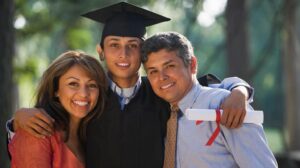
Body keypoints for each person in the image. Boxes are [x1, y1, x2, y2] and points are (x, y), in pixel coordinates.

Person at [7, 2, 254, 168]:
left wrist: (239, 90)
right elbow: (50, 119)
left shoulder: (161, 91)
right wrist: (17, 119)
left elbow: (209, 87)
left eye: (132, 45)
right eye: (114, 44)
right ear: (101, 51)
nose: (123, 54)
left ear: (143, 53)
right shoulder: (90, 97)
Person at [141, 31, 278, 168]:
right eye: (153, 71)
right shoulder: (158, 111)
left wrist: (240, 91)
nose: (162, 77)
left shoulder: (226, 105)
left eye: (170, 66)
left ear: (192, 65)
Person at [8, 51, 108, 168]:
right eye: (73, 84)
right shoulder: (37, 131)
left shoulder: (92, 136)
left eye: (92, 85)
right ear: (56, 90)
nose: (83, 94)